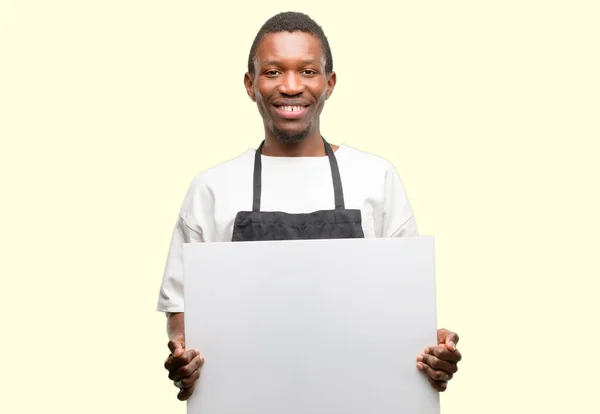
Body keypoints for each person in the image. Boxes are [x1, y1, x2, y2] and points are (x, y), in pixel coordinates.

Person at [157, 11, 462, 402]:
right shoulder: (211, 188)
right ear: (250, 85)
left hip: (363, 401)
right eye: (272, 72)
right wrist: (185, 356)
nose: (290, 86)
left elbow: (407, 306)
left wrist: (433, 350)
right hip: (246, 403)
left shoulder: (375, 178)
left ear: (329, 83)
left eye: (307, 71)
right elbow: (181, 311)